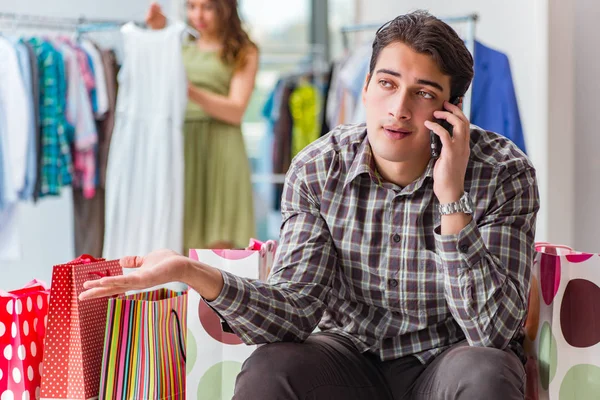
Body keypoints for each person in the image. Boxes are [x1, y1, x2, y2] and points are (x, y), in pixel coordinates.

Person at [81, 10, 539, 399]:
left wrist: (452, 198)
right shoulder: (319, 167)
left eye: (423, 93)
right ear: (364, 87)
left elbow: (492, 333)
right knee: (269, 369)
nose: (398, 108)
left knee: (487, 371)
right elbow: (295, 307)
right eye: (387, 83)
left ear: (452, 109)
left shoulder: (503, 171)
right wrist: (190, 272)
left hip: (449, 361)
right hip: (349, 358)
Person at [146, 0, 258, 251]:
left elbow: (236, 110)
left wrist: (190, 91)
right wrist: (157, 30)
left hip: (223, 145)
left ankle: (221, 290)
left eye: (207, 7)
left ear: (225, 8)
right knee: (184, 230)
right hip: (184, 142)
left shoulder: (244, 51)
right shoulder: (181, 45)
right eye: (192, 6)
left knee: (221, 236)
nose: (198, 14)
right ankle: (188, 291)